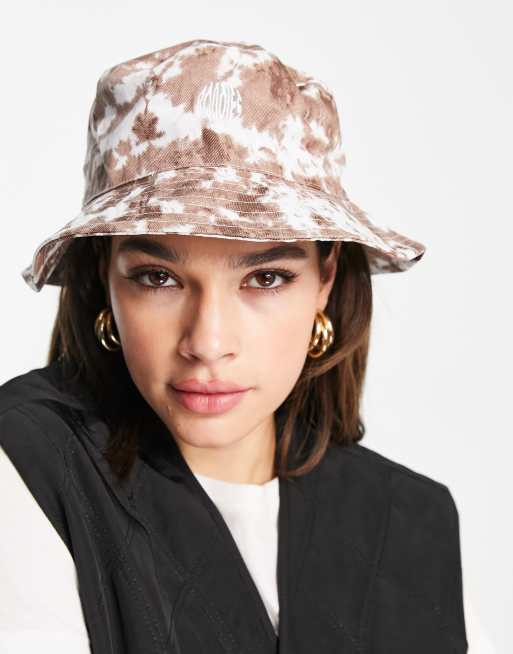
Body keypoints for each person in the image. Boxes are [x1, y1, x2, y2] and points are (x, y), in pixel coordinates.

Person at [0, 38, 471, 653]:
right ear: (104, 277)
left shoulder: (409, 521)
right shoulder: (28, 465)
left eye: (266, 278)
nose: (208, 342)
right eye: (158, 278)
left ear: (326, 277)